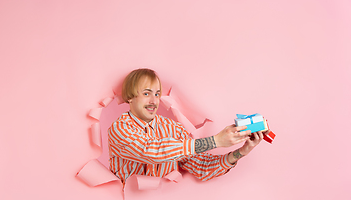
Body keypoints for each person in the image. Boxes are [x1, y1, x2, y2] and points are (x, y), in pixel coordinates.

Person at [108, 68, 269, 187]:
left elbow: (201, 167)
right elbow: (152, 152)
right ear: (130, 97)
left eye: (157, 94)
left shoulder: (173, 128)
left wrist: (240, 152)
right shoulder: (119, 129)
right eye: (146, 93)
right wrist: (216, 141)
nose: (153, 101)